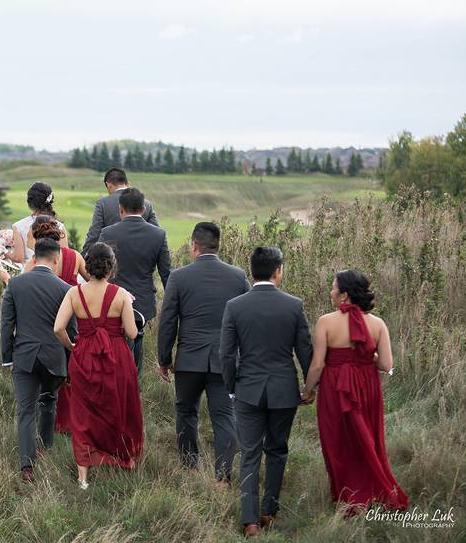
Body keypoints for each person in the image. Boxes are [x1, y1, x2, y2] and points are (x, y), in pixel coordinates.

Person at [220, 247, 312, 537]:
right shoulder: (294, 305)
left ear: (252, 271)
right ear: (277, 271)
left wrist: (232, 386)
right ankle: (269, 512)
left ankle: (249, 521)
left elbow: (226, 354)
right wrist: (310, 386)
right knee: (277, 450)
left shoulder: (235, 306)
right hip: (284, 389)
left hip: (248, 389)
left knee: (249, 453)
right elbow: (305, 350)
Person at [302, 270, 409, 514]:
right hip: (366, 387)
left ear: (344, 295)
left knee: (337, 440)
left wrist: (308, 390)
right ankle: (372, 491)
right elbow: (386, 365)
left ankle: (348, 496)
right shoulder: (378, 324)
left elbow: (317, 364)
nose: (331, 292)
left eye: (333, 288)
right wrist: (363, 357)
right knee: (368, 439)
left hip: (335, 387)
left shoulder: (325, 322)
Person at [157, 222, 249, 486]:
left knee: (186, 412)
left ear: (193, 246)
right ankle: (222, 476)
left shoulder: (179, 277)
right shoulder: (238, 276)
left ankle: (190, 467)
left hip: (188, 359)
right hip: (225, 361)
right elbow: (244, 319)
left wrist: (164, 359)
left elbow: (168, 321)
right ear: (218, 245)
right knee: (224, 417)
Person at [54, 242, 143, 489]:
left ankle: (83, 478)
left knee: (82, 414)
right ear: (111, 267)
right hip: (116, 357)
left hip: (84, 356)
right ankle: (120, 456)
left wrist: (72, 346)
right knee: (118, 406)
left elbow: (58, 328)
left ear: (89, 266)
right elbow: (133, 334)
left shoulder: (74, 293)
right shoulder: (122, 294)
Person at [0, 237, 77, 483]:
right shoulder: (65, 289)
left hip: (24, 355)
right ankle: (45, 447)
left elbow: (6, 326)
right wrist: (67, 363)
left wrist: (7, 357)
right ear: (56, 260)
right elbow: (71, 331)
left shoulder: (15, 285)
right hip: (54, 356)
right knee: (49, 401)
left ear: (33, 258)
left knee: (25, 410)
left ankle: (26, 465)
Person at [97, 187, 171, 376]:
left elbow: (98, 270)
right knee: (136, 339)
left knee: (115, 346)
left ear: (120, 209)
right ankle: (132, 387)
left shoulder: (107, 233)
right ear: (144, 210)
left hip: (111, 301)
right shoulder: (158, 235)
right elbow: (166, 275)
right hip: (142, 303)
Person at [27, 216, 90, 434]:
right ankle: (74, 420)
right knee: (71, 369)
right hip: (72, 320)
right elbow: (92, 281)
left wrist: (6, 279)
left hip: (46, 321)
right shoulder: (75, 256)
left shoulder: (35, 262)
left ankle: (50, 422)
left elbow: (22, 288)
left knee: (48, 372)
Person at [82, 167, 159, 256]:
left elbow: (94, 235)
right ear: (127, 183)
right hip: (142, 262)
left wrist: (83, 258)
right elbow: (156, 235)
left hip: (112, 262)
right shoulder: (147, 204)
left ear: (108, 185)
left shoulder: (102, 204)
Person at [8, 182, 68, 265]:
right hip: (53, 272)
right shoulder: (59, 226)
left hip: (28, 272)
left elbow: (18, 257)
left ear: (30, 202)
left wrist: (4, 254)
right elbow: (64, 256)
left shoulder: (18, 226)